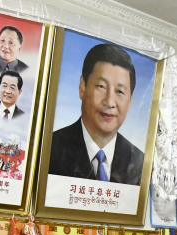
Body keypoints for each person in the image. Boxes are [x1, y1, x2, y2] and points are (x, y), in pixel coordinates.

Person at [47, 43, 144, 185]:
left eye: (120, 91)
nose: (109, 102)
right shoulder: (49, 149)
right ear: (82, 87)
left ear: (130, 101)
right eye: (101, 86)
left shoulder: (140, 163)